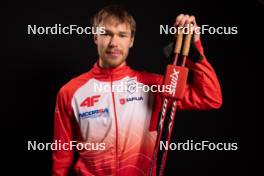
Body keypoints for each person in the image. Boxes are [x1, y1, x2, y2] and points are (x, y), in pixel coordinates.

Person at [52, 5, 222, 176]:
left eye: (122, 35)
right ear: (95, 37)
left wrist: (195, 51)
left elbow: (209, 97)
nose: (113, 43)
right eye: (106, 34)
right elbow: (62, 156)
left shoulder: (153, 86)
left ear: (131, 40)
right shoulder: (71, 91)